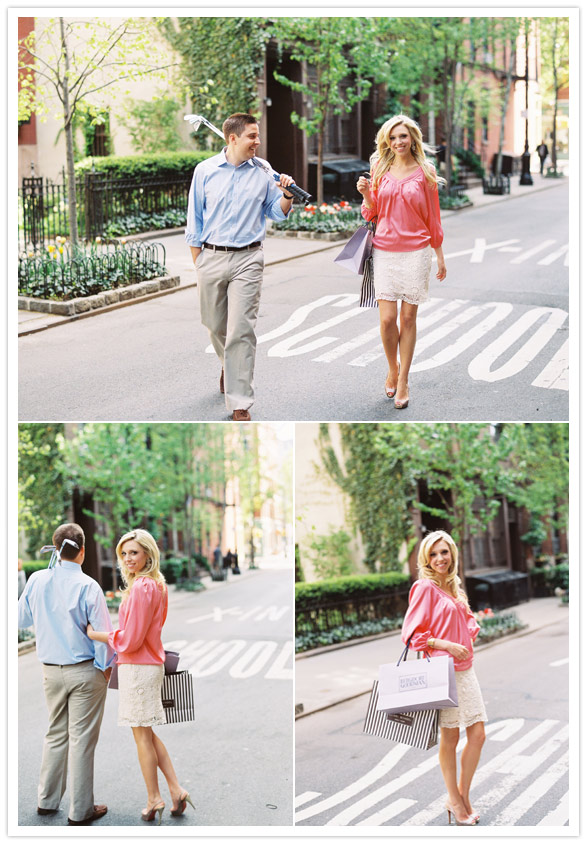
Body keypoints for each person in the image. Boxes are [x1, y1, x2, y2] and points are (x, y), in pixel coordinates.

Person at [186, 113, 296, 421]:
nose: (257, 142)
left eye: (257, 136)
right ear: (232, 138)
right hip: (211, 256)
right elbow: (194, 219)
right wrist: (200, 262)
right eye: (251, 136)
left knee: (241, 331)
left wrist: (287, 194)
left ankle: (240, 400)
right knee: (213, 324)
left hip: (248, 259)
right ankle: (229, 365)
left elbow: (275, 211)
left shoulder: (263, 171)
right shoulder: (205, 171)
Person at [87, 529, 193, 825]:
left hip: (138, 667)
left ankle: (153, 798)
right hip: (147, 665)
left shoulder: (143, 587)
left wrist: (97, 634)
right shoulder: (155, 585)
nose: (127, 558)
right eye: (124, 553)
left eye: (134, 552)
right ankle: (175, 789)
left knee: (141, 737)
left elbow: (131, 639)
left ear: (148, 553)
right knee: (146, 733)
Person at [17, 523, 114, 825]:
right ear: (82, 551)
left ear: (55, 547)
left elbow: (20, 619)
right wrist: (106, 670)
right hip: (85, 671)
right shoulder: (88, 586)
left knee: (55, 733)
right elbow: (103, 634)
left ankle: (47, 801)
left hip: (50, 671)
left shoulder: (37, 580)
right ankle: (81, 810)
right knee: (82, 739)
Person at [357, 115, 447, 409]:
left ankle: (404, 379)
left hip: (416, 251)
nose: (398, 142)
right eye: (393, 137)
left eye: (403, 137)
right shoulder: (379, 168)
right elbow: (371, 214)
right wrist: (367, 194)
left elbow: (433, 216)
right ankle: (392, 368)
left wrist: (440, 256)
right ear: (387, 140)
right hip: (384, 249)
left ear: (413, 139)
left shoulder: (426, 171)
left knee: (408, 319)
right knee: (386, 320)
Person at [401, 530, 487, 826]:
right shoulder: (424, 588)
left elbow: (462, 620)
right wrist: (446, 644)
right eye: (433, 554)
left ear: (452, 554)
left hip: (466, 669)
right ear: (426, 558)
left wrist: (471, 623)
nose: (439, 558)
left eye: (444, 552)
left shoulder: (452, 587)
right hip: (442, 671)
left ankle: (460, 796)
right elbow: (412, 636)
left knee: (478, 735)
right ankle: (456, 799)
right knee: (450, 737)